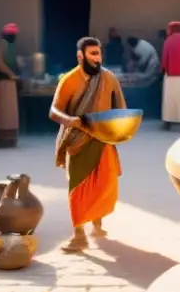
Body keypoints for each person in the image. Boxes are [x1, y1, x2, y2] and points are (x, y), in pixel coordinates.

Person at [49, 37, 127, 253]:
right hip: (77, 141)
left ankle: (97, 226)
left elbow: (121, 108)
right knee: (79, 188)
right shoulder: (69, 79)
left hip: (102, 139)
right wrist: (71, 121)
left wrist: (118, 128)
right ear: (80, 56)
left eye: (99, 53)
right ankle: (79, 235)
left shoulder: (108, 78)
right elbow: (53, 111)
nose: (97, 58)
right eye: (92, 54)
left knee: (103, 184)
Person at [0, 23, 20, 148]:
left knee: (9, 113)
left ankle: (10, 139)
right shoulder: (2, 44)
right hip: (1, 82)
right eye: (12, 34)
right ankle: (1, 139)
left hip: (9, 82)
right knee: (3, 112)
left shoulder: (11, 46)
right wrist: (11, 74)